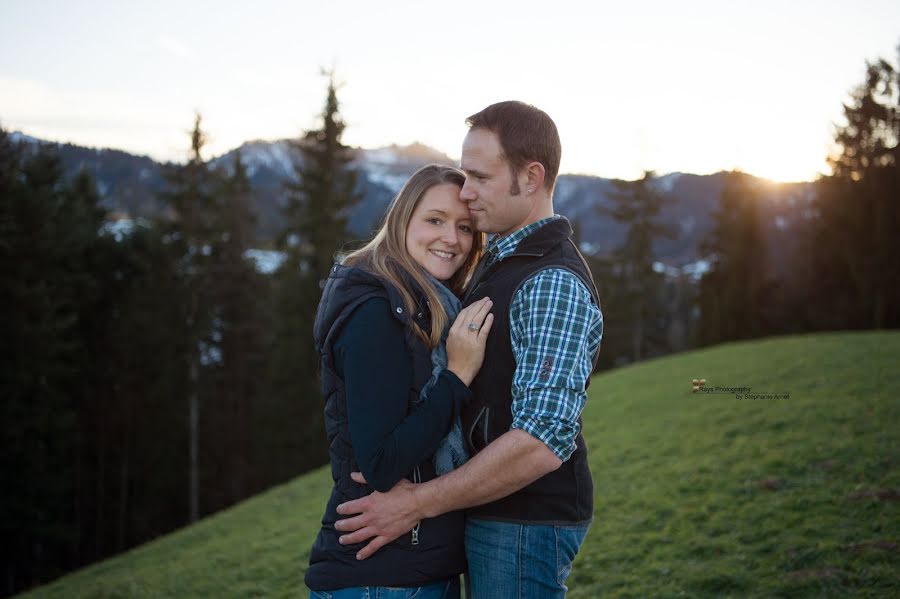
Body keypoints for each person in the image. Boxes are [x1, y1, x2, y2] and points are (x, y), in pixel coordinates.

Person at [333, 101, 604, 598]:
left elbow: (541, 440)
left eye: (479, 177)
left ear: (531, 176)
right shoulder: (499, 260)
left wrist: (419, 502)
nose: (465, 191)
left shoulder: (550, 281)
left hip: (524, 520)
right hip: (489, 511)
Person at [304, 164, 493, 599]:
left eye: (465, 227)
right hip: (383, 578)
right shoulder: (377, 311)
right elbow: (382, 463)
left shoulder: (425, 307)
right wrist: (458, 375)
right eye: (435, 220)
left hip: (413, 569)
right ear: (402, 218)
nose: (452, 238)